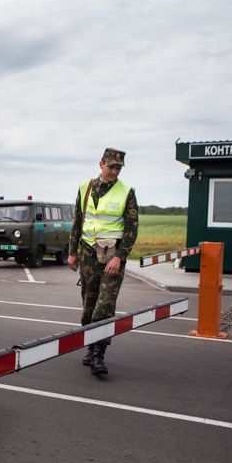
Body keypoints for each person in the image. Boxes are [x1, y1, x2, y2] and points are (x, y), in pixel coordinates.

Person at [67, 148, 139, 376]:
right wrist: (72, 252)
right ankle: (90, 346)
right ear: (101, 164)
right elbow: (78, 221)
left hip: (112, 257)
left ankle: (99, 352)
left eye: (118, 168)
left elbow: (131, 229)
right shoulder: (85, 187)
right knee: (88, 305)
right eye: (111, 167)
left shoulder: (126, 191)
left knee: (105, 305)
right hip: (88, 254)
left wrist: (120, 257)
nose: (115, 171)